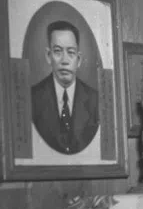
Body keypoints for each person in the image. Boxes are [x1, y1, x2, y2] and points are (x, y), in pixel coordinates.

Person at [31, 20, 100, 155]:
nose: (64, 60)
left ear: (78, 59)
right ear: (48, 56)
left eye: (71, 52)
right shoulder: (32, 98)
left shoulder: (95, 100)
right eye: (57, 51)